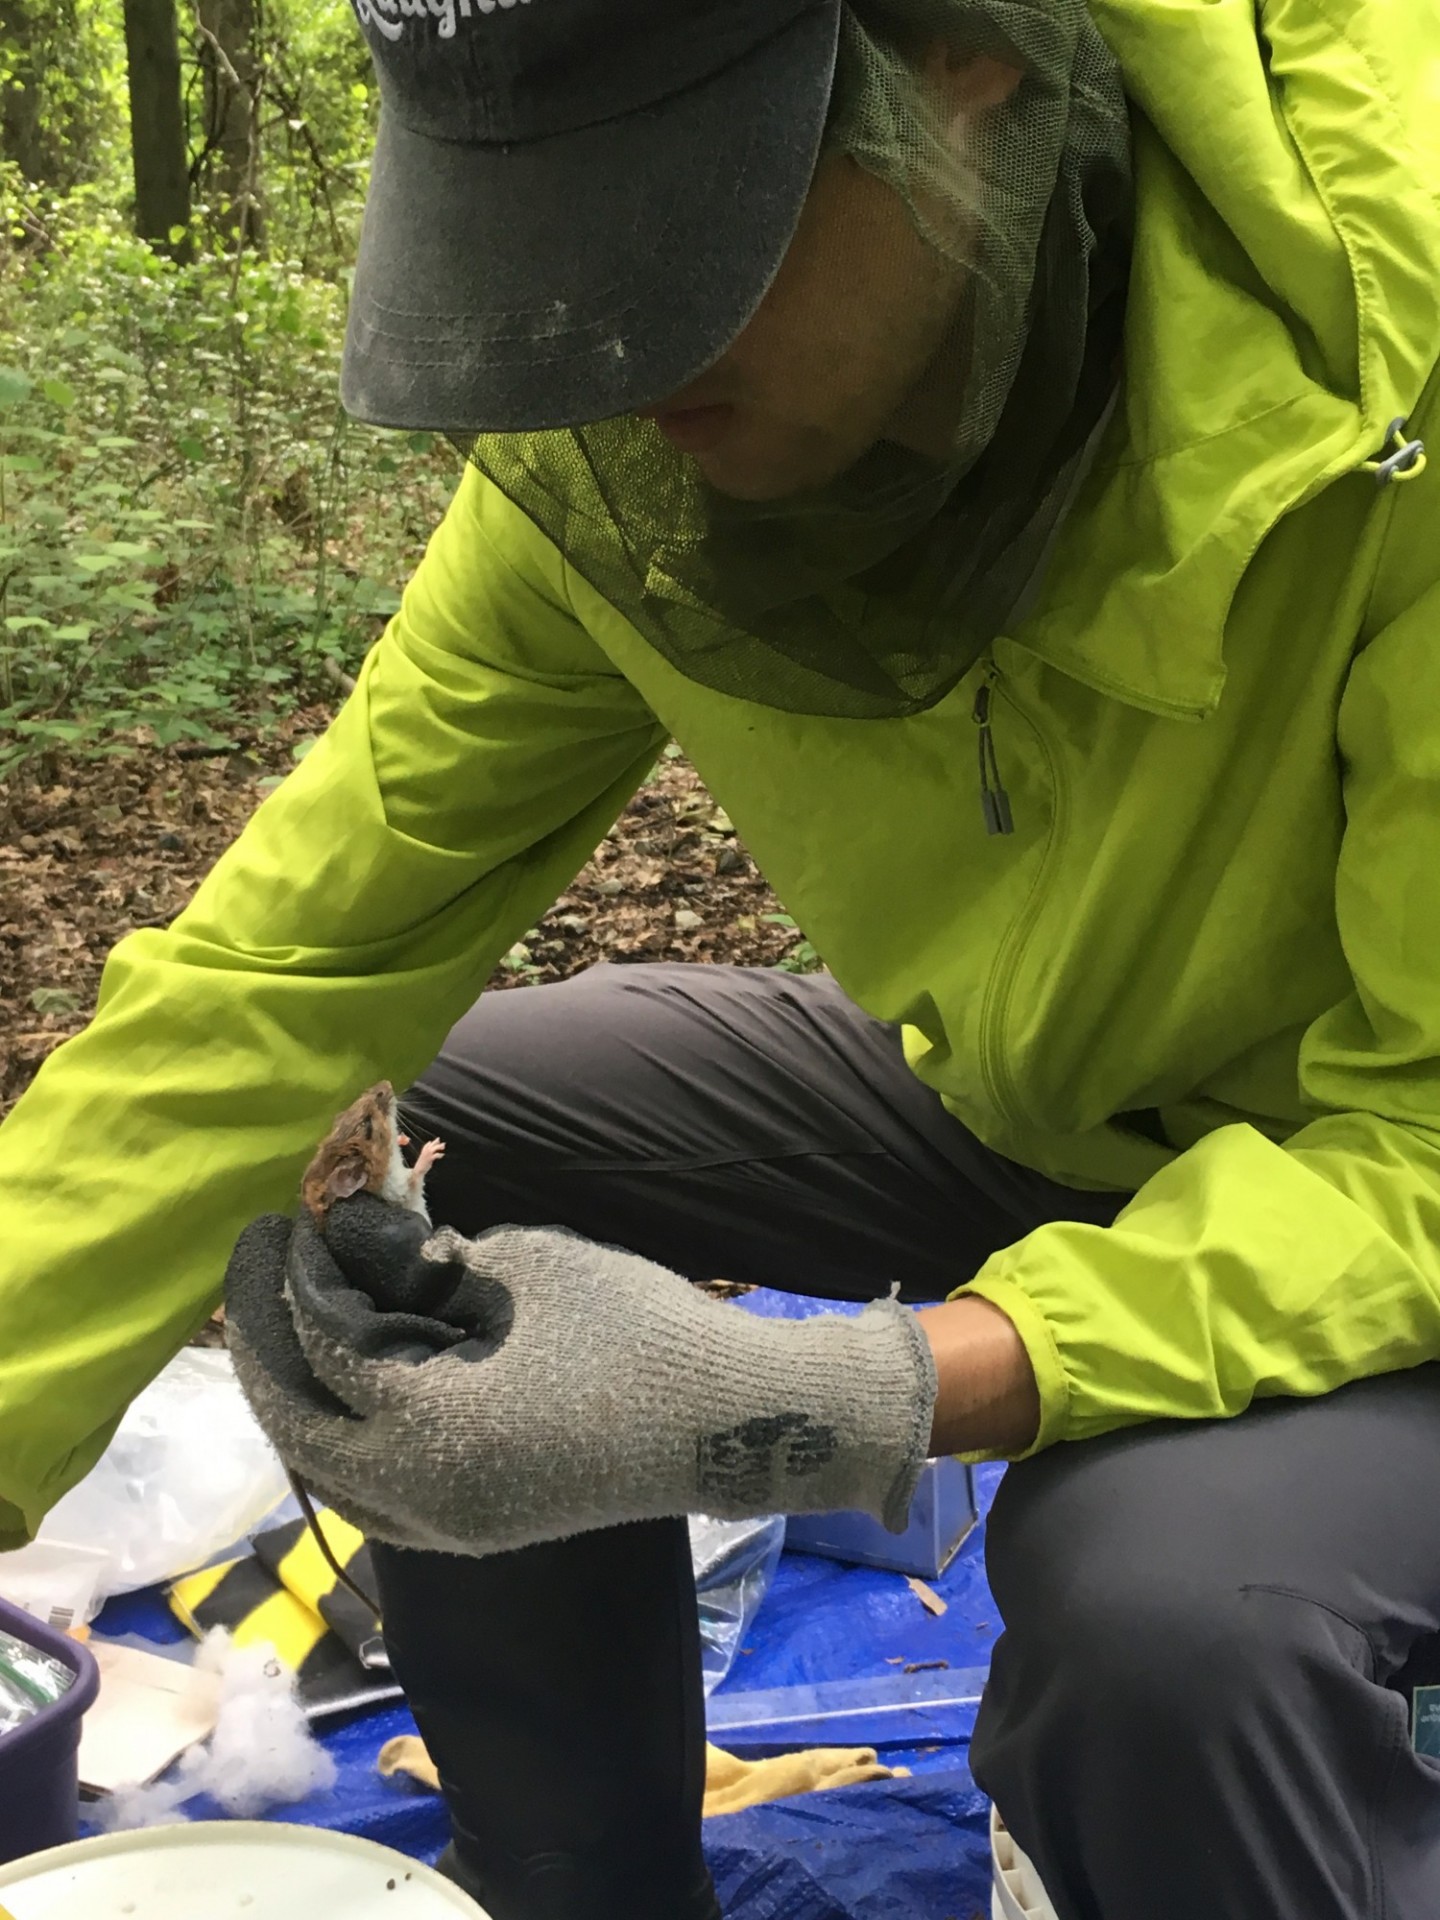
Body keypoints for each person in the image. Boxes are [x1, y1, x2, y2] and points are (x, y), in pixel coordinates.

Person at [4, 0, 1440, 1914]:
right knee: (420, 1139)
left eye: (670, 225)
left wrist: (882, 1388)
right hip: (1059, 1096)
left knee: (1173, 1606)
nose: (591, 342)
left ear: (961, 54)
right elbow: (276, 980)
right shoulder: (618, 472)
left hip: (1394, 1177)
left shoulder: (1384, 342)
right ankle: (579, 1884)